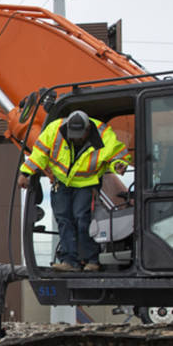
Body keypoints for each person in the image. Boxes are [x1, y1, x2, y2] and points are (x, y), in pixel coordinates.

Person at [17, 110, 130, 272]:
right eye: (72, 134)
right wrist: (26, 172)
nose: (75, 138)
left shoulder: (103, 134)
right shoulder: (55, 130)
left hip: (86, 182)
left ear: (88, 130)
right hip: (62, 182)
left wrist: (118, 164)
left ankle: (91, 260)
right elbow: (39, 154)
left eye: (79, 135)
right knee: (63, 219)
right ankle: (69, 261)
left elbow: (117, 154)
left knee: (82, 218)